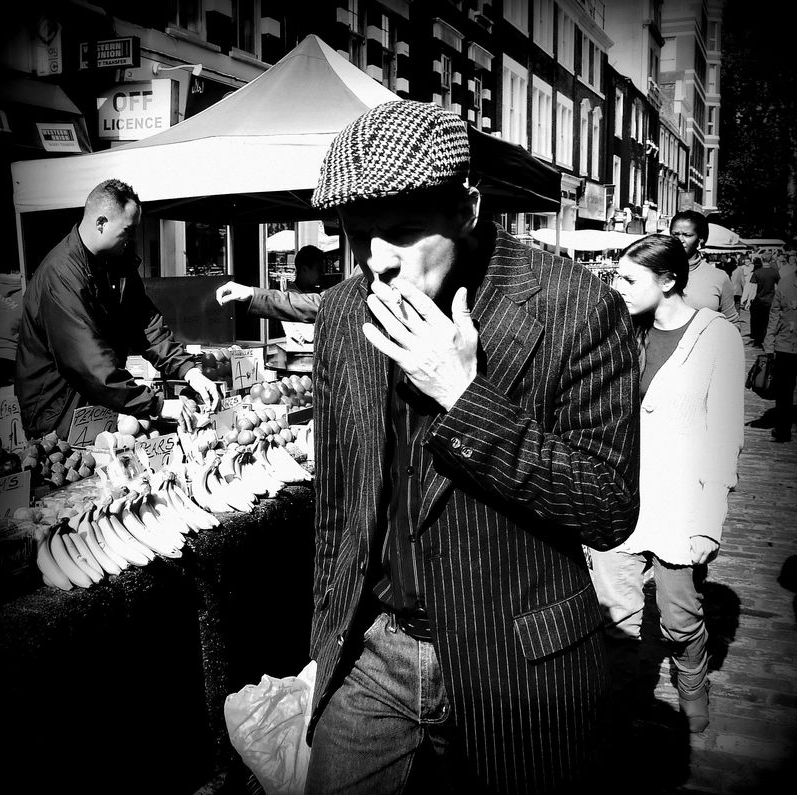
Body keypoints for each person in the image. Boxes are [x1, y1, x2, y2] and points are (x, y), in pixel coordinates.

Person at [303, 100, 641, 794]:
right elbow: (338, 502)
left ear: (467, 208)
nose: (376, 261)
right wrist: (325, 638)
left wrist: (463, 397)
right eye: (356, 233)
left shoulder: (575, 307)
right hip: (377, 653)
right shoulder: (342, 311)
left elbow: (609, 506)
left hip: (518, 663)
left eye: (398, 230)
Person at [589, 234, 744, 736]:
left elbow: (725, 433)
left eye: (630, 279)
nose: (618, 287)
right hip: (618, 498)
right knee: (616, 617)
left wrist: (709, 522)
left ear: (669, 280)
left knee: (679, 617)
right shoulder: (621, 333)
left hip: (679, 504)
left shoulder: (715, 336)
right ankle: (619, 701)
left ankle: (692, 682)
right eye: (616, 276)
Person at [16, 179, 219, 439]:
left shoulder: (116, 264)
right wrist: (156, 405)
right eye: (128, 230)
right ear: (101, 223)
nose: (133, 238)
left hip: (98, 403)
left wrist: (188, 370)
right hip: (58, 412)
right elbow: (88, 362)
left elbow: (145, 323)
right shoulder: (61, 275)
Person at [215, 244, 326, 322]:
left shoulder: (318, 293)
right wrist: (253, 293)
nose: (323, 274)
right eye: (319, 270)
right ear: (304, 269)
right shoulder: (294, 294)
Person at [669, 210, 739, 327]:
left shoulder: (719, 277)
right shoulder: (657, 271)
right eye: (675, 234)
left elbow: (732, 323)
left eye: (687, 235)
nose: (679, 239)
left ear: (701, 239)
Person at [763, 260, 797, 442]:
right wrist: (769, 342)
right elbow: (775, 313)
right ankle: (783, 429)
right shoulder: (785, 282)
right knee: (784, 391)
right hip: (785, 346)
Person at [745, 250, 780, 347]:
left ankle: (758, 341)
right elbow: (777, 287)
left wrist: (748, 302)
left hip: (759, 301)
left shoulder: (757, 272)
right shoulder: (775, 272)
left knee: (758, 322)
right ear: (770, 260)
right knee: (769, 322)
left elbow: (753, 289)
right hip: (771, 301)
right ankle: (768, 340)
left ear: (762, 259)